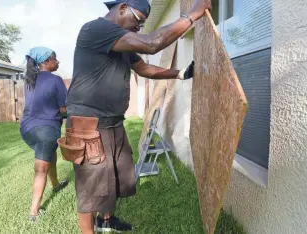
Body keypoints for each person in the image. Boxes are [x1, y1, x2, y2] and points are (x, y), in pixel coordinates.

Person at [66, 0, 211, 233]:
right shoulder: (95, 29)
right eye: (138, 21)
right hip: (88, 124)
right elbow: (153, 43)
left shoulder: (122, 42)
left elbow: (144, 69)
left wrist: (180, 73)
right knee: (91, 185)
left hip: (113, 121)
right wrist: (192, 15)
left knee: (116, 173)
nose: (139, 28)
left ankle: (107, 219)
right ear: (122, 8)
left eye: (142, 24)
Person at [20, 47, 69, 222]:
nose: (58, 62)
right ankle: (34, 212)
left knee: (49, 155)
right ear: (46, 62)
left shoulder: (29, 81)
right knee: (41, 169)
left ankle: (55, 185)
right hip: (46, 131)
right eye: (55, 59)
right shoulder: (56, 80)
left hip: (26, 129)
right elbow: (64, 109)